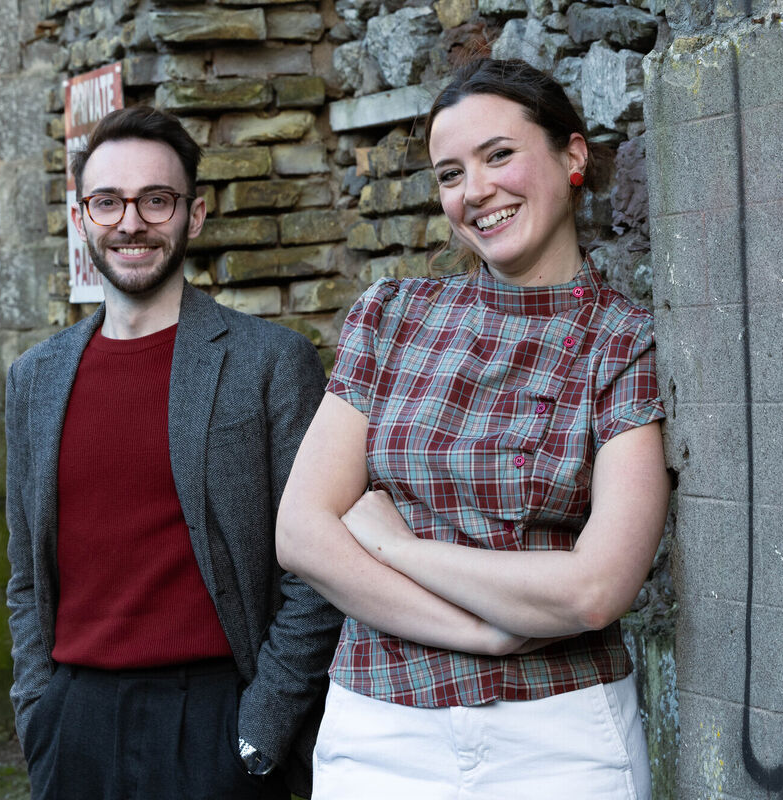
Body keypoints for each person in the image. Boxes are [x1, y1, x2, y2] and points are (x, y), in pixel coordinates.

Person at [275, 59, 669, 798]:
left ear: (572, 155)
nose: (475, 191)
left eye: (498, 155)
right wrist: (484, 634)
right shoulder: (391, 316)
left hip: (559, 737)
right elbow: (302, 532)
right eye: (450, 173)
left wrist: (397, 544)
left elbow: (594, 589)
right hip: (379, 731)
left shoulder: (622, 340)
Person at [4, 105, 342, 800]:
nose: (131, 222)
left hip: (218, 720)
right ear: (82, 218)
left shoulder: (269, 363)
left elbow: (319, 569)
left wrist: (261, 732)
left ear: (194, 215)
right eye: (108, 202)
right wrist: (40, 716)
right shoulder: (35, 379)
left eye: (156, 200)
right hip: (75, 726)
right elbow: (26, 577)